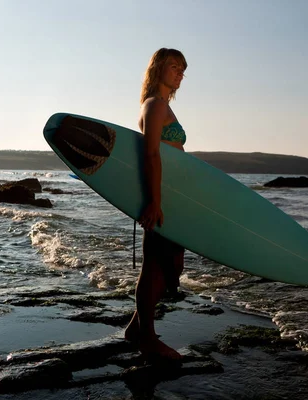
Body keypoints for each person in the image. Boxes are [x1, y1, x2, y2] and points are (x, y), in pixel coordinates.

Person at [124, 48, 188, 361]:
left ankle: (137, 328)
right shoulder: (153, 105)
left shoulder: (164, 107)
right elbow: (151, 154)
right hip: (160, 196)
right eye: (174, 66)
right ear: (158, 68)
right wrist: (154, 201)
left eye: (183, 69)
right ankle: (147, 337)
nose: (180, 73)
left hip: (173, 197)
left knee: (172, 264)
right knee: (155, 264)